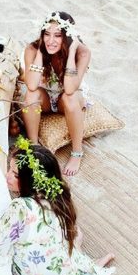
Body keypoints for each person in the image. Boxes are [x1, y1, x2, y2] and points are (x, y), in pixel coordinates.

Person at [0, 138, 114, 275]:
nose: (7, 176)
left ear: (31, 181)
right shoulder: (57, 195)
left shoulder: (21, 207)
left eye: (15, 174)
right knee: (69, 237)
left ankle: (79, 257)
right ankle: (84, 262)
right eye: (9, 169)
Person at [22, 10, 91, 176]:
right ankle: (34, 146)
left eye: (58, 36)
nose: (51, 41)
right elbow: (31, 85)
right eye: (47, 34)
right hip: (45, 96)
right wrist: (40, 51)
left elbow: (69, 88)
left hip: (67, 97)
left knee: (70, 98)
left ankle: (77, 152)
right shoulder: (33, 49)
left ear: (67, 37)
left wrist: (71, 52)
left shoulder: (82, 53)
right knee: (30, 96)